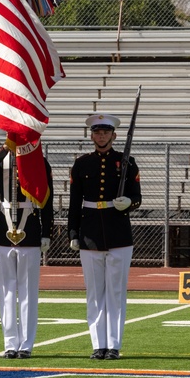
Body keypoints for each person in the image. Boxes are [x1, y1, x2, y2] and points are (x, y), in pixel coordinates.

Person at [68, 113, 141, 361]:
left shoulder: (127, 162)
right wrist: (73, 232)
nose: (101, 136)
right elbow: (74, 202)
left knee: (115, 293)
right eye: (97, 132)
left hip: (118, 232)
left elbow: (137, 197)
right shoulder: (81, 164)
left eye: (105, 132)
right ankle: (98, 344)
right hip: (90, 233)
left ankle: (113, 345)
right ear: (92, 136)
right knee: (94, 293)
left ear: (114, 135)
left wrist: (128, 203)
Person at [0, 142, 54, 359]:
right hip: (4, 227)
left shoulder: (38, 161)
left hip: (29, 226)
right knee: (6, 290)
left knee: (28, 291)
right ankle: (10, 343)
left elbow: (47, 199)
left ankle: (26, 344)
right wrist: (5, 147)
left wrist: (46, 232)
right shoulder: (1, 159)